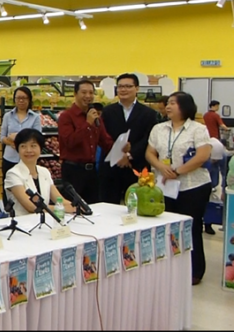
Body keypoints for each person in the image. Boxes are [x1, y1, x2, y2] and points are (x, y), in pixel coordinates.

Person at [146, 91, 212, 285]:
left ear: (185, 106)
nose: (168, 106)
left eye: (173, 103)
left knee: (191, 227)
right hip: (165, 185)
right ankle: (169, 268)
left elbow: (202, 155)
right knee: (167, 226)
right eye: (168, 103)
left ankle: (195, 270)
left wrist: (177, 171)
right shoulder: (159, 128)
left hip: (193, 185)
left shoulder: (198, 129)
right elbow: (150, 153)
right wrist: (161, 167)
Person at [99, 73, 158, 204]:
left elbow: (148, 138)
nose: (123, 90)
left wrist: (130, 155)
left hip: (137, 166)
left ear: (137, 88)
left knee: (137, 204)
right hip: (111, 166)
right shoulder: (108, 111)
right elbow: (103, 135)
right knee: (109, 205)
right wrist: (118, 154)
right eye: (120, 86)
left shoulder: (149, 113)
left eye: (128, 86)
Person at [58, 79, 117, 204]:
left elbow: (105, 141)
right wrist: (87, 124)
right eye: (84, 92)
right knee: (73, 207)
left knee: (94, 206)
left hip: (92, 171)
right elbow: (70, 142)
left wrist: (120, 149)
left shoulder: (95, 116)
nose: (88, 96)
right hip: (73, 170)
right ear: (75, 94)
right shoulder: (66, 116)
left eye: (91, 93)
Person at [5, 128, 74, 216]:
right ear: (17, 149)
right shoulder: (13, 174)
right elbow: (32, 207)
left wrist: (75, 206)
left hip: (46, 220)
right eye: (23, 146)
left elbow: (60, 200)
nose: (28, 150)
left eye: (33, 146)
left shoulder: (44, 171)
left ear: (40, 149)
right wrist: (63, 208)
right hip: (23, 222)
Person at [0, 87, 42, 182]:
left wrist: (18, 139)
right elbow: (2, 137)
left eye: (24, 98)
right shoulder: (7, 116)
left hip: (28, 158)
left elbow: (37, 138)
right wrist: (12, 143)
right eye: (18, 98)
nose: (21, 100)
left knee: (27, 185)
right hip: (10, 158)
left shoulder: (35, 117)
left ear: (29, 99)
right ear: (14, 99)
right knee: (9, 185)